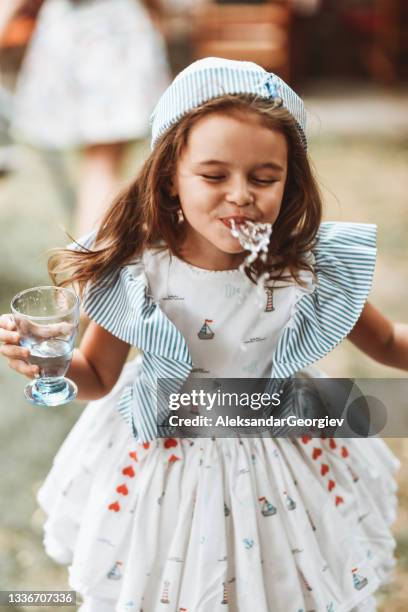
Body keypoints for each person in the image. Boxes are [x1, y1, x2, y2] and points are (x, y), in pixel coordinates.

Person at [1, 57, 408, 612]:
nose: (240, 195)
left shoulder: (305, 266)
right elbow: (97, 375)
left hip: (279, 457)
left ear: (289, 182)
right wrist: (50, 362)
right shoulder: (139, 272)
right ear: (170, 175)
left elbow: (387, 345)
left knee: (285, 581)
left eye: (264, 178)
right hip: (167, 464)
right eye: (214, 175)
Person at [0, 0, 171, 235]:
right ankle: (93, 260)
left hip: (79, 32)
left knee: (98, 168)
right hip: (109, 35)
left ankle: (92, 251)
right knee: (100, 167)